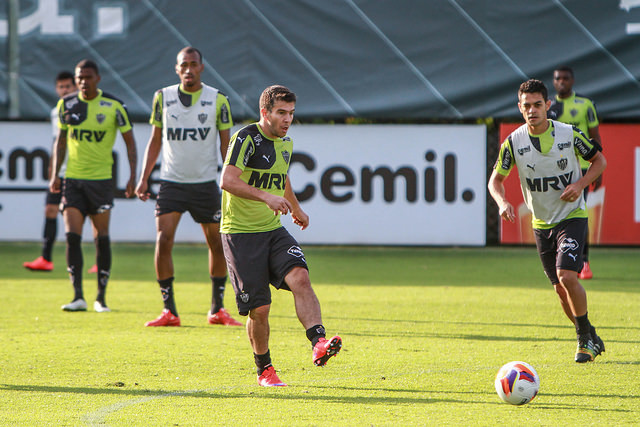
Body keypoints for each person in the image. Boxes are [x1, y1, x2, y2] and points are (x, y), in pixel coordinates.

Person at [219, 85, 342, 386]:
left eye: (291, 113)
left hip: (273, 230)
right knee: (259, 309)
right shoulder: (246, 138)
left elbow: (282, 176)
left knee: (300, 277)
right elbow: (227, 180)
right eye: (281, 113)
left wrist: (296, 208)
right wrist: (266, 197)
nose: (287, 119)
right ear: (265, 112)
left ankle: (319, 342)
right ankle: (265, 370)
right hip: (241, 234)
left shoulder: (285, 143)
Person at [488, 79, 606, 363]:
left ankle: (583, 340)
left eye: (537, 105)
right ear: (520, 108)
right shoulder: (513, 142)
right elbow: (495, 181)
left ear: (547, 105)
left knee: (567, 276)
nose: (532, 110)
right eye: (526, 106)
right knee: (559, 289)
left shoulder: (568, 134)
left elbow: (599, 161)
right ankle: (589, 333)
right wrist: (502, 202)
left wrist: (580, 184)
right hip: (541, 224)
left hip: (572, 215)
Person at [136, 46, 241, 328]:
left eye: (193, 64)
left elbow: (226, 145)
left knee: (217, 244)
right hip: (171, 182)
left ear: (201, 68)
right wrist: (144, 177)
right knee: (163, 240)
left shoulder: (218, 99)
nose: (188, 69)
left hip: (205, 184)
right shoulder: (163, 97)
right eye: (183, 65)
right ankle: (169, 309)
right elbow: (155, 140)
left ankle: (217, 308)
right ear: (177, 68)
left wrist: (232, 179)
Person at [49, 59, 137, 313]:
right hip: (73, 179)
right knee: (72, 236)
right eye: (79, 78)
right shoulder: (66, 104)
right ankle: (78, 296)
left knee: (101, 236)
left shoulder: (114, 106)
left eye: (88, 77)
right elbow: (61, 141)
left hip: (101, 181)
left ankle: (101, 298)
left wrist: (133, 176)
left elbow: (130, 142)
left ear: (98, 78)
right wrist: (55, 174)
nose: (83, 82)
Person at [548, 66, 602, 280]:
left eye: (565, 78)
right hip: (556, 169)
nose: (562, 82)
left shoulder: (585, 104)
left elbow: (595, 136)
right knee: (557, 215)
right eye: (558, 78)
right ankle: (561, 259)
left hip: (581, 169)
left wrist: (598, 170)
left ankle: (584, 261)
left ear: (572, 80)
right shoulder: (548, 107)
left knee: (578, 213)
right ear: (554, 82)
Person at [24, 71, 76, 271]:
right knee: (50, 210)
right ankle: (46, 259)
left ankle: (99, 261)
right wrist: (52, 168)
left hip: (80, 171)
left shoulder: (85, 108)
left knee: (87, 215)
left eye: (68, 86)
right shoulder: (57, 111)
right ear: (56, 89)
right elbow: (57, 142)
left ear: (75, 87)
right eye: (61, 87)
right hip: (61, 171)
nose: (64, 90)